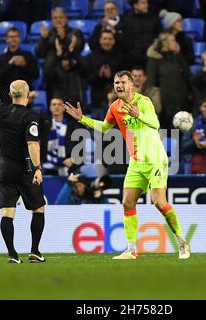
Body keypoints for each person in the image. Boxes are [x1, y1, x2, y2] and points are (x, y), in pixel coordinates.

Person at [64, 70, 191, 259]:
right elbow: (105, 128)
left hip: (155, 159)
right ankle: (132, 250)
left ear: (131, 84)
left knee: (159, 202)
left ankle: (182, 243)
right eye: (116, 83)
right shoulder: (115, 107)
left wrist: (138, 114)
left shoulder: (144, 102)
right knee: (127, 202)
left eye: (123, 82)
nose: (119, 86)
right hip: (136, 162)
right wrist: (83, 119)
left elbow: (155, 124)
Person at [0, 50, 46, 264]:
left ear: (10, 95)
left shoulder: (1, 110)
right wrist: (37, 168)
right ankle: (35, 251)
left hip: (4, 168)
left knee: (7, 212)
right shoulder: (31, 116)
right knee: (38, 207)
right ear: (27, 95)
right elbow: (32, 144)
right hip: (25, 167)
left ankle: (12, 254)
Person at [146, 31, 190, 130]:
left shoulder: (179, 58)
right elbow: (151, 84)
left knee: (178, 135)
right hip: (163, 104)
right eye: (173, 41)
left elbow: (187, 78)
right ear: (164, 43)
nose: (176, 43)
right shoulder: (154, 60)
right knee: (164, 133)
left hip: (181, 102)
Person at [0, 27, 39, 103]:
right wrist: (10, 63)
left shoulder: (29, 56)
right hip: (6, 97)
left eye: (16, 36)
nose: (14, 39)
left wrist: (25, 65)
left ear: (20, 39)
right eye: (11, 37)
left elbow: (36, 75)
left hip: (25, 97)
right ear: (6, 39)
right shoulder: (0, 59)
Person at [122, 0, 162, 67]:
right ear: (135, 5)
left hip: (152, 55)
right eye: (143, 3)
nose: (147, 5)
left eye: (147, 2)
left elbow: (160, 36)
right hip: (133, 58)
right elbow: (125, 41)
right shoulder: (126, 20)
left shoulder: (154, 18)